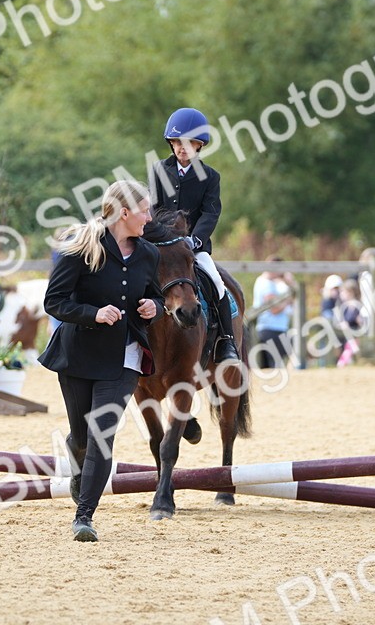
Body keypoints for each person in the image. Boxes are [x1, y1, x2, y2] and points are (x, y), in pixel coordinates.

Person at [39, 180, 163, 543]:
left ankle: (84, 517)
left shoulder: (149, 254)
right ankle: (75, 453)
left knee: (101, 436)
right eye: (144, 209)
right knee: (82, 437)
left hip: (124, 358)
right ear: (124, 213)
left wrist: (154, 308)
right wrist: (92, 314)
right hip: (78, 356)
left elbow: (154, 297)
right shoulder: (82, 247)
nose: (149, 217)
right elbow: (55, 301)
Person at [147, 107, 239, 363]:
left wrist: (193, 240)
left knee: (218, 285)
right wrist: (163, 237)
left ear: (199, 145)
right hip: (162, 246)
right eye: (176, 142)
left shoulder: (210, 177)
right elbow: (154, 208)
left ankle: (226, 343)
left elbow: (210, 213)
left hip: (194, 247)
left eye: (188, 143)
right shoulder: (158, 170)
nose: (181, 148)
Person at [252, 257, 295, 369]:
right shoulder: (266, 284)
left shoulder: (270, 283)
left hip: (274, 330)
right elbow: (274, 309)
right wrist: (288, 299)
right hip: (271, 330)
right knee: (275, 368)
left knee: (273, 367)